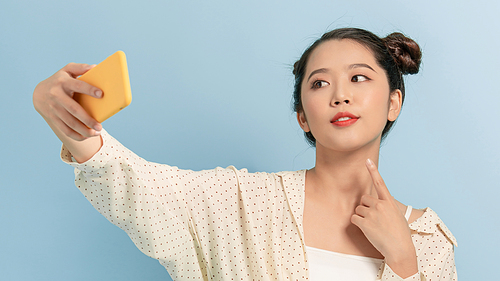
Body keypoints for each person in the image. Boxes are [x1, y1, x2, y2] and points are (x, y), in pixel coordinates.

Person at [33, 27, 457, 280]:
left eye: (359, 78)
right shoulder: (242, 202)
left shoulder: (428, 242)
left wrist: (404, 263)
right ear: (302, 118)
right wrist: (68, 120)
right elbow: (138, 191)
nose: (340, 95)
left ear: (394, 103)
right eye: (320, 83)